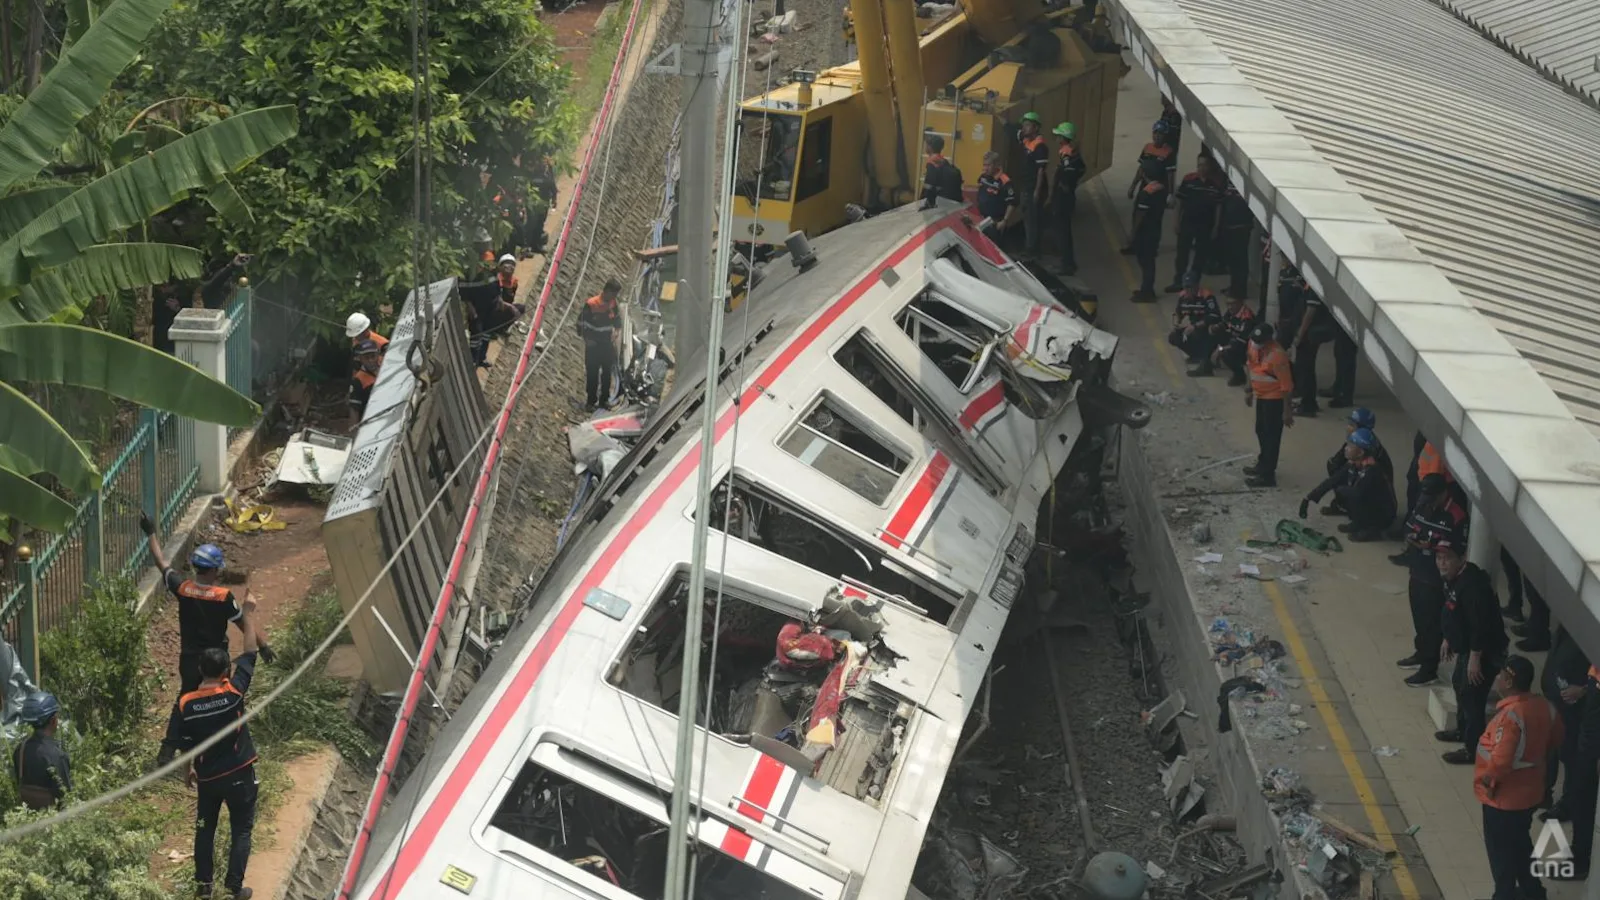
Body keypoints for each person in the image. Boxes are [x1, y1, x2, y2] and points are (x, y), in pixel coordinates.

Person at [141, 513, 272, 768]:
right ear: (213, 569)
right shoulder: (223, 597)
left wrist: (150, 533)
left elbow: (161, 562)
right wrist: (263, 646)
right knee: (223, 699)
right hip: (216, 661)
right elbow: (244, 622)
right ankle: (218, 747)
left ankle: (168, 749)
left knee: (185, 699)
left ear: (195, 567)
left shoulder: (182, 588)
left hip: (189, 660)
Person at [177, 595, 263, 900]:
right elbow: (250, 651)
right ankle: (234, 888)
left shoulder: (186, 703)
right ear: (226, 670)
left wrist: (187, 771)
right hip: (240, 773)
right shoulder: (234, 692)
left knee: (204, 828)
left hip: (208, 779)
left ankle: (204, 887)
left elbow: (186, 743)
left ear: (201, 670)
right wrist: (248, 614)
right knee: (241, 829)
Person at [1475, 655, 1562, 900]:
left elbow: (1501, 761)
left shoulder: (1510, 717)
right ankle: (1534, 892)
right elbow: (1556, 739)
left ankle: (1503, 896)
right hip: (1531, 793)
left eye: (1501, 675)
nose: (1497, 679)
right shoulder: (1545, 707)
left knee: (1501, 854)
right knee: (1522, 846)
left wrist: (1488, 782)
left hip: (1504, 799)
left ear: (1509, 679)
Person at [1436, 541, 1510, 764]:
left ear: (1462, 559)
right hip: (1468, 648)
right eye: (1439, 558)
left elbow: (1480, 625)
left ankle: (1472, 748)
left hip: (1484, 652)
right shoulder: (1453, 580)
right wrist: (1448, 638)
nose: (1442, 563)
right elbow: (1453, 612)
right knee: (1460, 685)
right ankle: (1462, 730)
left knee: (1472, 698)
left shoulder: (1473, 586)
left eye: (1447, 558)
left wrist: (1475, 658)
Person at [1394, 473, 1468, 686]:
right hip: (1417, 571)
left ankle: (1429, 669)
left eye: (1432, 497)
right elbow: (1410, 526)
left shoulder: (1456, 515)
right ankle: (1420, 653)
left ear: (1443, 493)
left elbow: (1458, 548)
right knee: (1419, 617)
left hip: (1437, 579)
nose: (1428, 501)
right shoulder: (1423, 503)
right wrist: (1412, 537)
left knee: (1431, 624)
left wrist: (1433, 545)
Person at [1298, 428, 1394, 540]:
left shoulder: (1372, 470)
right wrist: (1309, 498)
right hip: (1368, 505)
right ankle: (1358, 522)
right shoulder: (1355, 464)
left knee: (1352, 493)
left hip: (1382, 515)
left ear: (1361, 452)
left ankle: (1372, 530)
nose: (1346, 448)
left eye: (1351, 446)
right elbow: (1332, 481)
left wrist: (1342, 490)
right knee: (1346, 489)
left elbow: (1359, 494)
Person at [1538, 626, 1591, 821]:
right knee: (1549, 748)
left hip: (1575, 707)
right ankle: (1543, 792)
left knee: (1570, 755)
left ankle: (1568, 805)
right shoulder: (1567, 626)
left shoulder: (1592, 629)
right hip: (1555, 700)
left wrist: (1584, 689)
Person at [1241, 321, 1294, 487]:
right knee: (1261, 430)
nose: (1257, 345)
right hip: (1261, 396)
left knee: (1271, 437)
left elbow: (1287, 386)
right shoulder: (1253, 344)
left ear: (1270, 340)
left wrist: (1287, 411)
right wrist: (1249, 390)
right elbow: (1250, 365)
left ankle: (1268, 475)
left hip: (1275, 399)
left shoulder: (1278, 355)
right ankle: (1263, 464)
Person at [1166, 153, 1227, 292]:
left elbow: (1218, 207)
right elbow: (1180, 202)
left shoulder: (1215, 185)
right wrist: (1176, 221)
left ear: (1210, 166)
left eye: (1204, 165)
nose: (1201, 168)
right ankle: (1178, 281)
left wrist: (1216, 227)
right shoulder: (1189, 180)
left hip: (1205, 225)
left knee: (1200, 255)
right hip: (1187, 222)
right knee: (1182, 254)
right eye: (1199, 164)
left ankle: (1194, 283)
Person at [11, 691, 69, 810]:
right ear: (53, 720)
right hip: (53, 821)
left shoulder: (20, 750)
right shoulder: (57, 755)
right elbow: (65, 795)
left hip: (27, 816)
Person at [1289, 285, 1336, 417]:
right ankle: (1309, 402)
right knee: (1306, 369)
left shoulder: (1314, 288)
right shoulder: (1310, 285)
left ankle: (1307, 405)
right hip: (1309, 335)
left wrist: (1300, 334)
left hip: (1309, 336)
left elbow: (1310, 311)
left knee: (1305, 370)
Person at [1129, 156, 1169, 303]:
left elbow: (1140, 215)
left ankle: (1147, 292)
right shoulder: (1162, 189)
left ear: (1145, 174)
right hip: (1155, 229)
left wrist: (1133, 233)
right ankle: (1147, 288)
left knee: (1145, 262)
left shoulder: (1146, 193)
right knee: (1149, 261)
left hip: (1145, 232)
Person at [578, 278, 622, 412]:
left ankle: (604, 400)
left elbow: (617, 319)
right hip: (593, 344)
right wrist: (587, 339)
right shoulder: (592, 304)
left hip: (606, 343)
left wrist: (617, 331)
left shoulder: (613, 303)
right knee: (592, 373)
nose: (614, 297)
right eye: (613, 294)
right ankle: (591, 402)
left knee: (607, 372)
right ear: (607, 291)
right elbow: (581, 323)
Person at [1324, 407, 1394, 488]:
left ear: (1362, 428)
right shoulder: (1361, 439)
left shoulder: (1366, 446)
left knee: (1340, 469)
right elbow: (1336, 460)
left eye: (1352, 425)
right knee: (1333, 464)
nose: (1348, 428)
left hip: (1374, 491)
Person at [1050, 121, 1085, 275]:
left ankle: (1066, 265)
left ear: (1064, 138)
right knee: (1065, 230)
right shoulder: (1074, 152)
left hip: (1063, 197)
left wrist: (1064, 184)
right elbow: (1082, 168)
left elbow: (1067, 172)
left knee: (1061, 231)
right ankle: (1068, 262)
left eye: (1058, 135)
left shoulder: (1066, 153)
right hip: (1069, 195)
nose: (1056, 138)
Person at [1167, 271, 1219, 371]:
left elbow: (1215, 316)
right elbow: (1179, 312)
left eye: (1191, 287)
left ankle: (1206, 355)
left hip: (1206, 329)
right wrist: (1178, 322)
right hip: (1192, 327)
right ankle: (1195, 355)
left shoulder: (1207, 297)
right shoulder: (1183, 297)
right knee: (1174, 336)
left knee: (1198, 332)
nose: (1188, 290)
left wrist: (1196, 325)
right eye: (1186, 287)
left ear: (1197, 286)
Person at [1015, 112, 1050, 259]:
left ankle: (1032, 251)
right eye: (1024, 124)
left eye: (1028, 125)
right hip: (1027, 185)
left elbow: (1041, 171)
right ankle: (1031, 247)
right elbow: (1013, 131)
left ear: (1035, 127)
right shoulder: (1026, 139)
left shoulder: (1040, 146)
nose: (1024, 127)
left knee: (1031, 219)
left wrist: (1036, 190)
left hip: (1034, 187)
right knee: (1028, 217)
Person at [1209, 292, 1256, 386]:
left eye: (1233, 303)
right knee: (1213, 334)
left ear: (1241, 302)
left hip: (1245, 348)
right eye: (1228, 304)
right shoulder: (1231, 311)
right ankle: (1207, 364)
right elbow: (1224, 323)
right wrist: (1214, 327)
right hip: (1233, 338)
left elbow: (1240, 343)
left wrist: (1220, 349)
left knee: (1226, 352)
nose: (1230, 307)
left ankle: (1239, 374)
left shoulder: (1247, 318)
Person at [1214, 187, 1253, 298]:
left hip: (1242, 227)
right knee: (1232, 261)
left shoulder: (1247, 184)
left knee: (1240, 261)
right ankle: (1234, 287)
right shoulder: (1230, 182)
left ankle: (1240, 291)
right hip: (1228, 227)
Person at [975, 151, 1020, 241]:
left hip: (995, 221)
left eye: (988, 165)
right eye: (984, 165)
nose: (985, 168)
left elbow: (1012, 203)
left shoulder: (1005, 181)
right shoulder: (983, 177)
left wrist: (1004, 221)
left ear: (996, 165)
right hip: (981, 218)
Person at [920, 134, 964, 208]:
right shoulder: (943, 160)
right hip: (949, 200)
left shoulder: (932, 162)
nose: (925, 147)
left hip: (940, 201)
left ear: (930, 147)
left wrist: (921, 200)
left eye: (926, 145)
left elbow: (929, 186)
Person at [349, 339, 382, 416]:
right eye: (366, 358)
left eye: (373, 356)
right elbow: (354, 409)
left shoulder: (387, 367)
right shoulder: (358, 380)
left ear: (378, 355)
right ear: (360, 359)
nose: (371, 360)